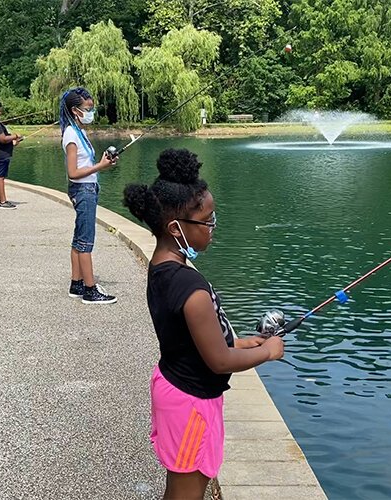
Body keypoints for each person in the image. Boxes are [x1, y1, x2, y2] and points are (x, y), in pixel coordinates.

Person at [122, 148, 285, 500]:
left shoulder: (163, 268)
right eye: (207, 221)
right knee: (188, 491)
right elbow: (220, 362)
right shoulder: (190, 288)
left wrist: (242, 343)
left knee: (183, 485)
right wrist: (269, 351)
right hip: (191, 401)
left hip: (178, 385)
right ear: (176, 228)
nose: (213, 227)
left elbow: (192, 339)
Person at [60, 87, 118, 304]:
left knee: (78, 239)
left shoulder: (80, 131)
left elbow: (85, 164)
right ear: (76, 110)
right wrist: (100, 167)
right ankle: (90, 291)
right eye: (88, 109)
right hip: (82, 190)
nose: (91, 112)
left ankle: (76, 284)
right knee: (85, 242)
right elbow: (73, 173)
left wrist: (102, 161)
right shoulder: (71, 135)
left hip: (88, 188)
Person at [0, 100, 23, 209]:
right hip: (0, 154)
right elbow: (3, 139)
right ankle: (2, 201)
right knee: (0, 177)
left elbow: (0, 140)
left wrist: (14, 143)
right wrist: (15, 136)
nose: (0, 113)